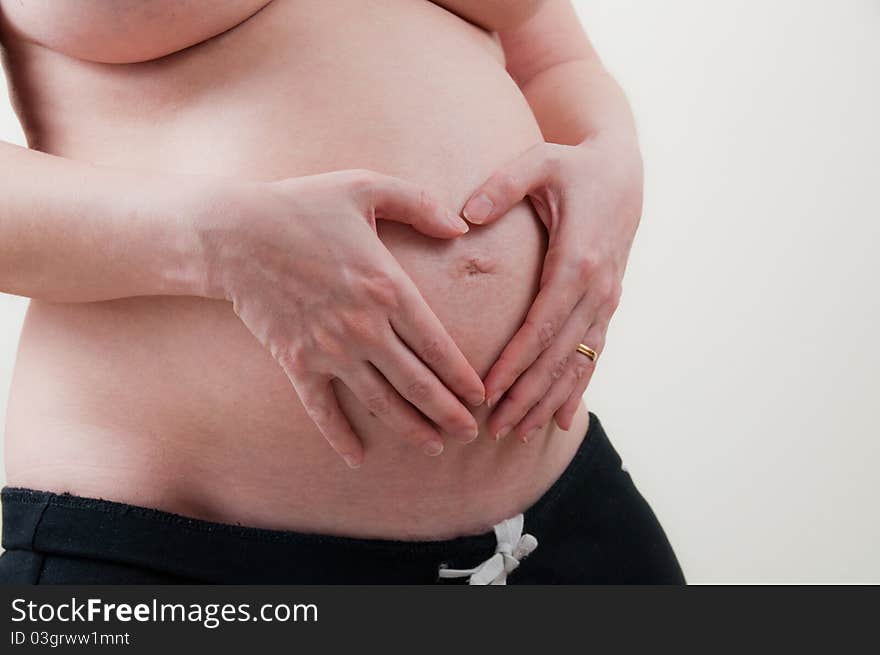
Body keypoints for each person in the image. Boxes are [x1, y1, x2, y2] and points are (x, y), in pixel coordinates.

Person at [0, 0, 683, 584]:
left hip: (557, 525)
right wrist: (217, 246)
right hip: (173, 552)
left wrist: (612, 158)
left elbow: (550, 58)